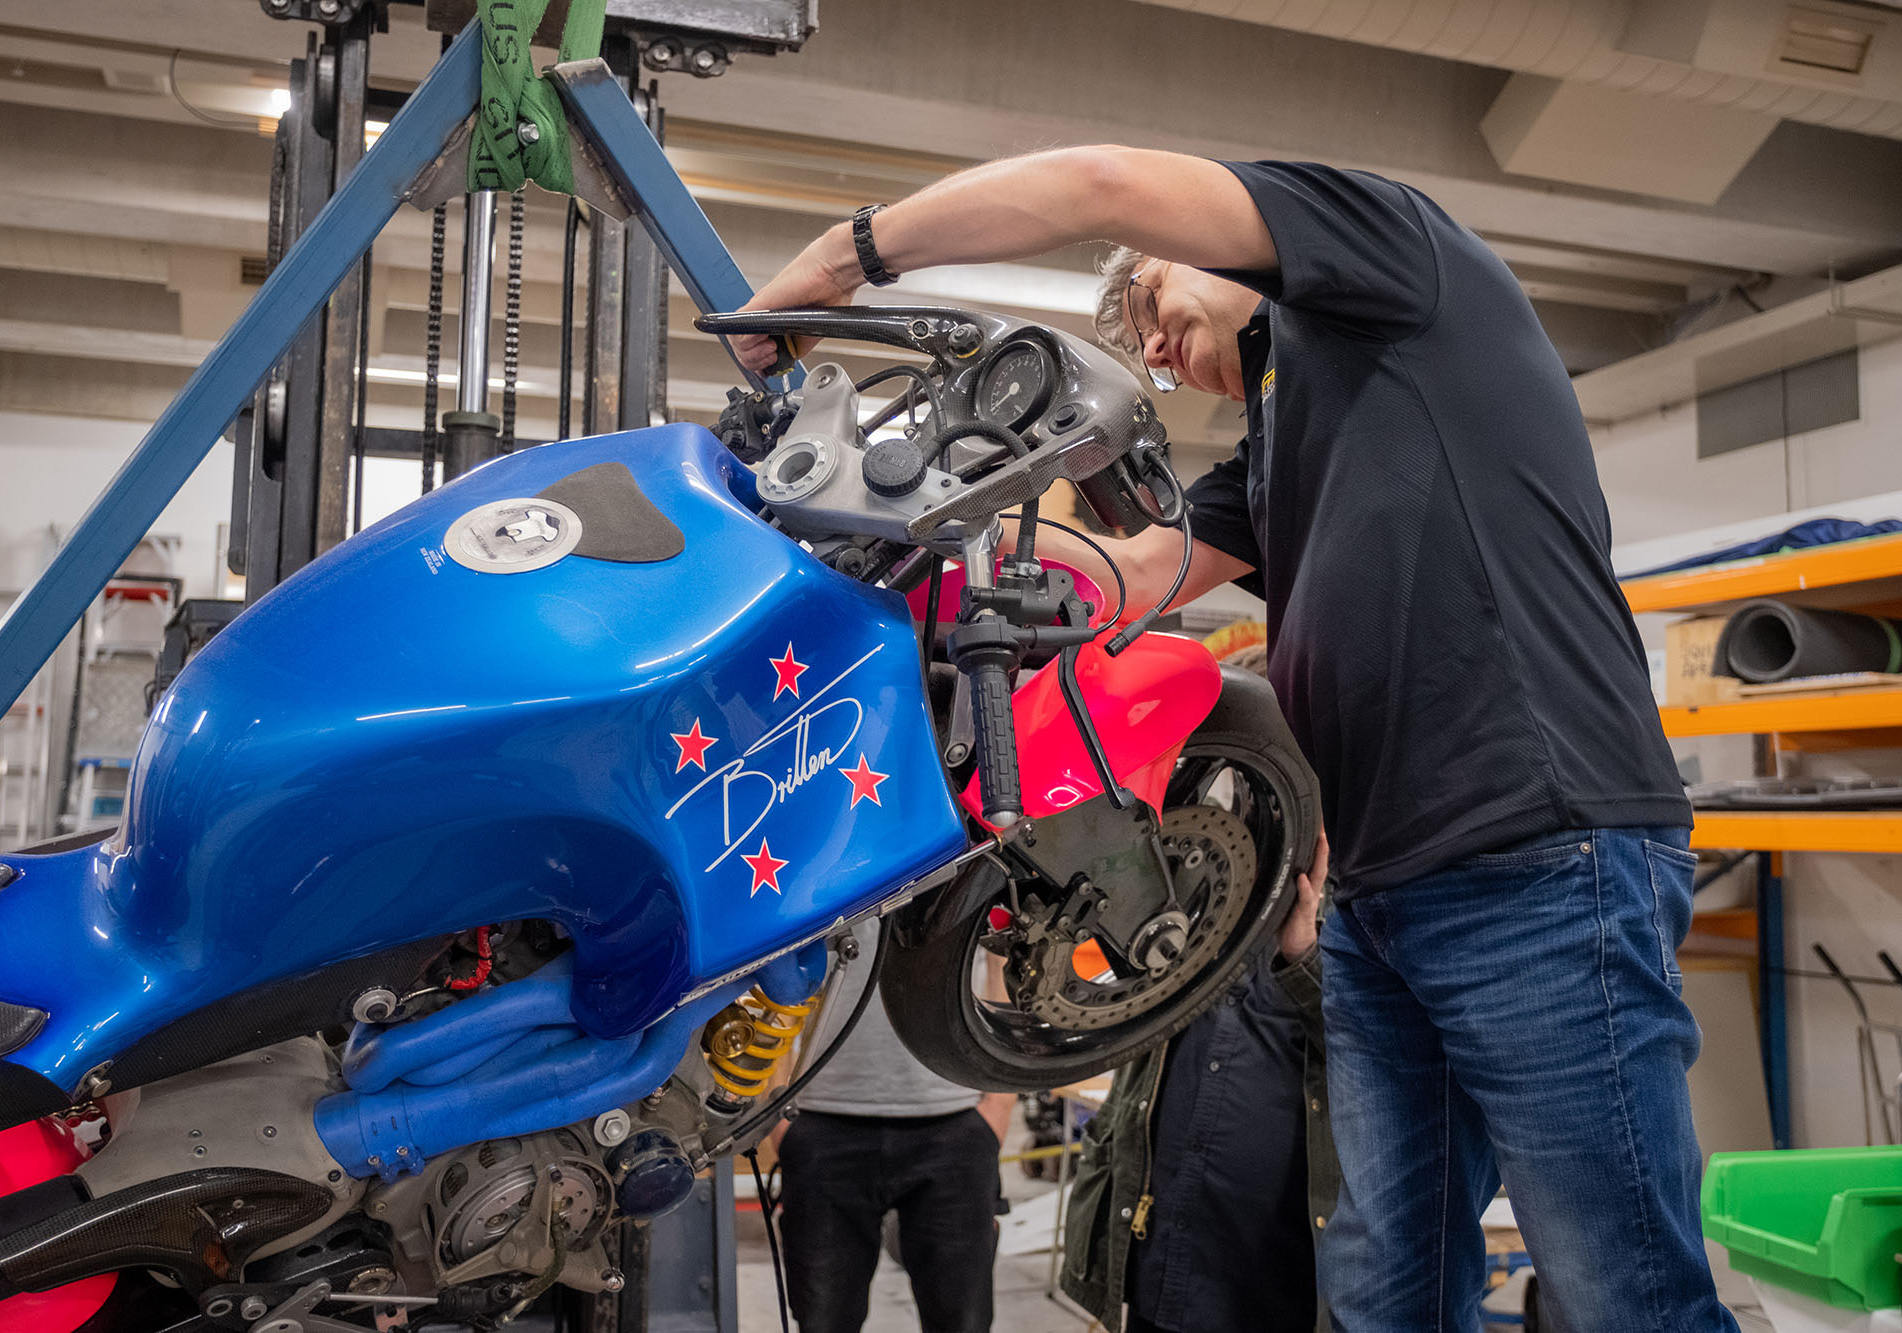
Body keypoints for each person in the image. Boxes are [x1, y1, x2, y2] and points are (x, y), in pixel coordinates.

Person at [734, 150, 1734, 1333]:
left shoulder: (1392, 260)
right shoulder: (1277, 445)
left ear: (1212, 251)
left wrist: (840, 261)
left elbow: (1098, 181)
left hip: (1539, 855)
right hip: (1378, 895)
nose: (1151, 351)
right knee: (1381, 1283)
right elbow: (1127, 575)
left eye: (1149, 305)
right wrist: (877, 539)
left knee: (1622, 1288)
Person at [1064, 791, 1336, 1333]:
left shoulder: (1356, 904)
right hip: (1159, 1250)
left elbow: (1375, 1054)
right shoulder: (1190, 883)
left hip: (1268, 1277)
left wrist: (1303, 955)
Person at [772, 919, 1015, 1333]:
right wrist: (778, 1115)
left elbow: (1000, 961)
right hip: (824, 1125)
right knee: (822, 1321)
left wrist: (998, 1106)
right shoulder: (815, 859)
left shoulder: (969, 854)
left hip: (953, 1127)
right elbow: (776, 975)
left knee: (962, 1321)